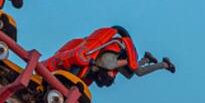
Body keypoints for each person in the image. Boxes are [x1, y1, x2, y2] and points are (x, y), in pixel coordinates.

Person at [44, 25, 175, 87]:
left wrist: (127, 61)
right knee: (134, 72)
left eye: (111, 75)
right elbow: (108, 64)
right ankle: (156, 62)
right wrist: (127, 62)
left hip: (122, 51)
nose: (113, 74)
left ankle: (153, 61)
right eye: (112, 75)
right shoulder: (108, 64)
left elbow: (109, 65)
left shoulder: (107, 65)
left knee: (134, 73)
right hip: (120, 50)